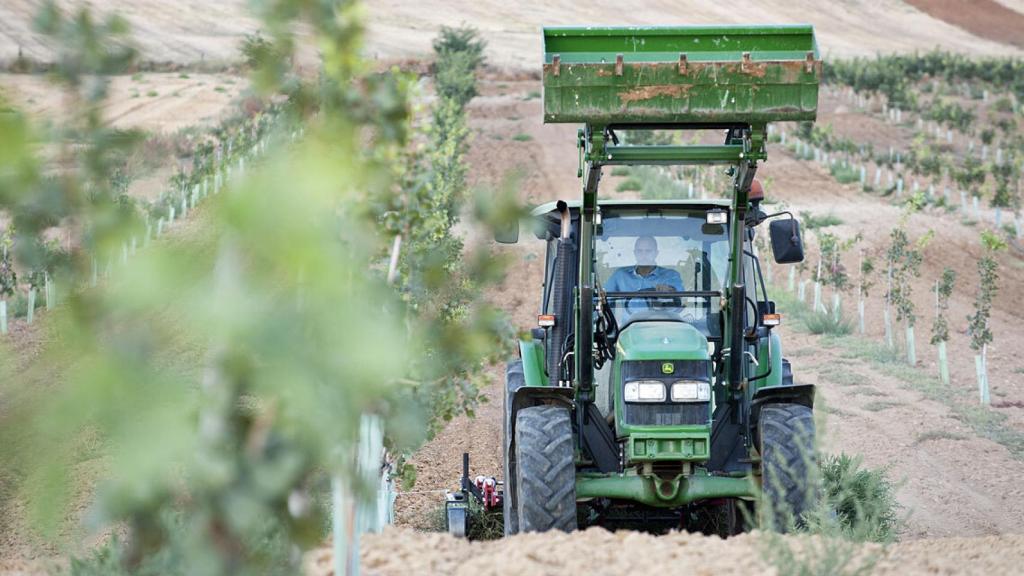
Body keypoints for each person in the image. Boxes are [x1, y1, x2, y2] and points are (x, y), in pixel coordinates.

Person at [604, 236, 683, 309]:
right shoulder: (620, 275)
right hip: (629, 324)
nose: (643, 255)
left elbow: (679, 293)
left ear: (656, 253)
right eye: (639, 251)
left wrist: (669, 291)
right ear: (635, 253)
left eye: (648, 251)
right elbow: (604, 297)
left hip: (661, 322)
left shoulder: (670, 275)